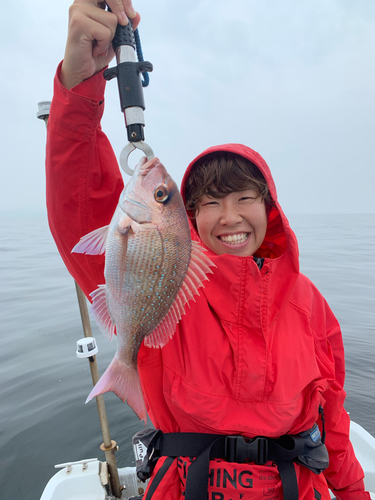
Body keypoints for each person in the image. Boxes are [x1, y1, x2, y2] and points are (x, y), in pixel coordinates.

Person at [45, 1, 371, 499]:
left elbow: (333, 417)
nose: (231, 216)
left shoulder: (312, 308)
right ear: (189, 219)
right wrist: (81, 84)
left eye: (246, 198)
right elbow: (79, 205)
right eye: (211, 202)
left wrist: (352, 493)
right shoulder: (171, 283)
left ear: (271, 208)